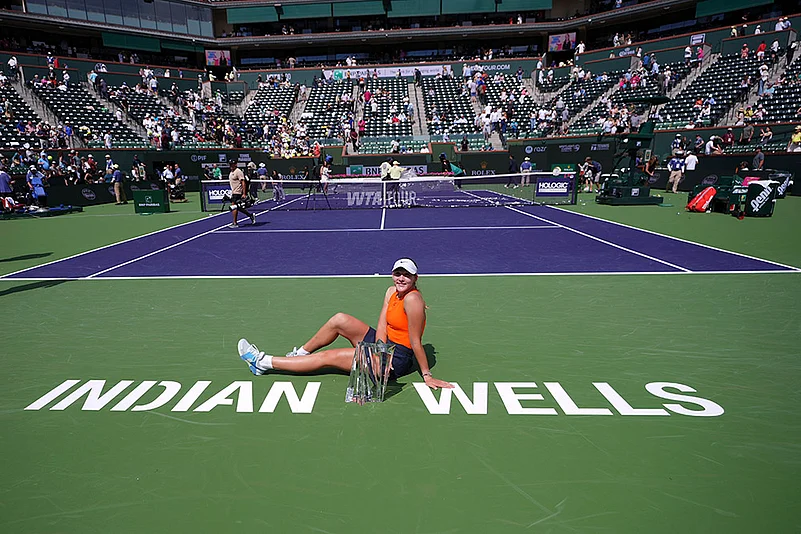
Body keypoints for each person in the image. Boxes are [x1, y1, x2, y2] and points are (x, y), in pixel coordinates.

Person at [237, 258, 453, 390]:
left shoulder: (413, 300)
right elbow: (382, 326)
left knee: (327, 357)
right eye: (398, 273)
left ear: (415, 278)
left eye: (407, 275)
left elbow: (415, 341)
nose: (401, 278)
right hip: (383, 348)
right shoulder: (390, 292)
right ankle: (299, 355)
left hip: (397, 359)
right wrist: (377, 349)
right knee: (339, 319)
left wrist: (427, 375)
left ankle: (262, 363)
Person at [228, 160, 255, 228]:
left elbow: (243, 182)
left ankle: (235, 223)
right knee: (238, 207)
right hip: (234, 192)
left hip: (238, 192)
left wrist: (244, 193)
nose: (231, 166)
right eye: (230, 164)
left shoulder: (238, 172)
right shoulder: (231, 172)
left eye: (232, 164)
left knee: (234, 207)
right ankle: (250, 215)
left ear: (235, 164)